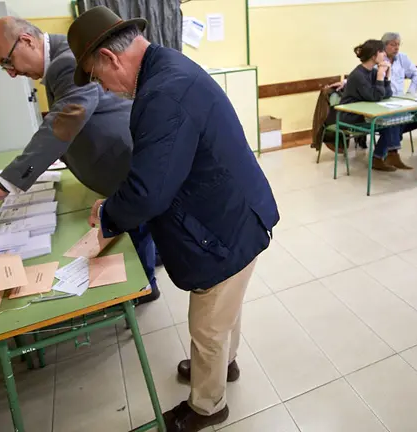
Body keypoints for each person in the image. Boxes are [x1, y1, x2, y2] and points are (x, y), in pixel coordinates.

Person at [67, 7, 279, 431]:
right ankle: (226, 364)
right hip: (235, 210)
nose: (103, 87)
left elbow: (150, 189)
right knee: (226, 308)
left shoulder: (162, 92)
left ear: (110, 58)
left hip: (222, 225)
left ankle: (207, 406)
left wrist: (109, 214)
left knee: (208, 325)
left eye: (97, 76)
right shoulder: (167, 65)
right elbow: (162, 166)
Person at [0, 17, 159, 302]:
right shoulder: (61, 58)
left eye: (7, 62)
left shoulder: (66, 61)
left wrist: (5, 183)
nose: (11, 73)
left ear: (26, 41)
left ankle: (145, 287)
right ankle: (153, 261)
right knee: (141, 223)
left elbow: (64, 120)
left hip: (119, 159)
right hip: (115, 156)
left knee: (136, 223)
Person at [340, 39, 412, 171]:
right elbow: (374, 97)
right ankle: (383, 157)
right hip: (352, 115)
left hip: (367, 112)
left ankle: (389, 155)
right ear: (374, 55)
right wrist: (380, 75)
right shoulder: (358, 75)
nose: (384, 54)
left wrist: (387, 76)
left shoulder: (372, 72)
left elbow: (387, 94)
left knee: (395, 120)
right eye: (381, 52)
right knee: (390, 122)